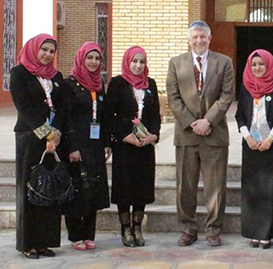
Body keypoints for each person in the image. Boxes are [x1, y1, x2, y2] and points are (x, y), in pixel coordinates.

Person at [167, 20, 234, 247]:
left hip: (214, 134)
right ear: (189, 39)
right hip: (186, 135)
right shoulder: (176, 63)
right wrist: (192, 122)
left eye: (203, 37)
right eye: (195, 37)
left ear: (209, 39)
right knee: (185, 186)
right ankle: (188, 229)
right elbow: (173, 97)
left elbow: (227, 96)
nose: (199, 40)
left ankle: (214, 230)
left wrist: (208, 121)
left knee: (215, 186)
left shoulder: (223, 62)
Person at [10, 33, 67, 259]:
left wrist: (56, 135)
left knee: (49, 187)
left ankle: (45, 241)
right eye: (44, 49)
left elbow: (62, 107)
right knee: (30, 188)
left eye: (51, 51)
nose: (47, 55)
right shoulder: (19, 73)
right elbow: (23, 106)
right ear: (34, 49)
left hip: (54, 140)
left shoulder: (56, 76)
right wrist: (46, 133)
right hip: (29, 137)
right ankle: (28, 243)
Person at [104, 46, 161, 247]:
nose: (138, 65)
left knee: (142, 186)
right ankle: (125, 228)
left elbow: (155, 115)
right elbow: (109, 116)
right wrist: (123, 136)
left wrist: (153, 136)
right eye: (134, 61)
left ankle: (137, 227)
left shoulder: (150, 84)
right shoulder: (117, 83)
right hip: (125, 146)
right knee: (124, 186)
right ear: (127, 62)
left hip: (145, 145)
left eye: (142, 62)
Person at [235, 49, 273, 249]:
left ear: (269, 65)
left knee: (270, 189)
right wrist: (247, 137)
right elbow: (240, 115)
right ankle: (253, 232)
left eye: (261, 64)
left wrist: (270, 138)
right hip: (251, 145)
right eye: (254, 64)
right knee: (253, 190)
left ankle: (266, 234)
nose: (257, 68)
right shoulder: (246, 86)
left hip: (271, 146)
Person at [61, 42, 110, 251]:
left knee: (94, 188)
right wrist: (72, 147)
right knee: (77, 188)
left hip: (95, 145)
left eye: (97, 58)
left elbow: (104, 117)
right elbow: (66, 119)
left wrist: (107, 143)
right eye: (89, 58)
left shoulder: (99, 84)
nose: (93, 62)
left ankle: (89, 234)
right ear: (81, 58)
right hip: (77, 145)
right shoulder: (69, 84)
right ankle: (75, 235)